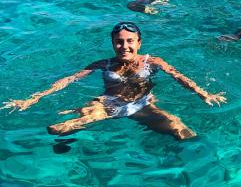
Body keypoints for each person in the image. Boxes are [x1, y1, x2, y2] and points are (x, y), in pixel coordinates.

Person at [2, 22, 226, 140]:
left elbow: (178, 76)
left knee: (182, 131)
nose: (124, 46)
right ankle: (66, 150)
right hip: (107, 104)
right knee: (58, 129)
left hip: (143, 106)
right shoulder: (103, 64)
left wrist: (202, 93)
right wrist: (32, 99)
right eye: (119, 42)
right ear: (112, 43)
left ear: (139, 42)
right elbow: (68, 80)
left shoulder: (153, 61)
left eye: (130, 41)